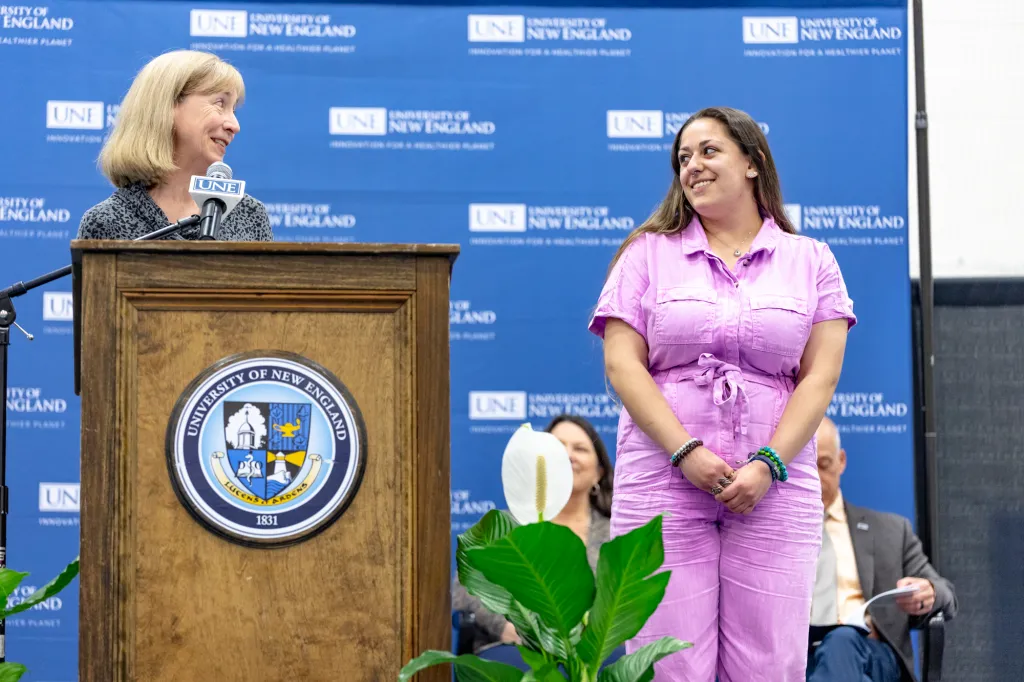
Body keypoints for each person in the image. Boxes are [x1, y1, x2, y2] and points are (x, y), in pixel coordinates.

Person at [588, 106, 856, 681]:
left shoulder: (812, 260)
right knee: (667, 663)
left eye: (708, 151)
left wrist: (768, 464)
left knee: (770, 663)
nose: (693, 166)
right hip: (662, 479)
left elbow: (820, 376)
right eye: (683, 158)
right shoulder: (645, 254)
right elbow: (622, 364)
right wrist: (686, 452)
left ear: (753, 162)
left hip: (774, 490)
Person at [452, 414, 615, 661]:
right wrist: (507, 627)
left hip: (592, 658)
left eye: (580, 449)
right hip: (517, 651)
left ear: (599, 473)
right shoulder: (504, 528)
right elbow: (465, 588)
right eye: (557, 446)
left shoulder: (615, 534)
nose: (567, 455)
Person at [807, 417, 957, 682]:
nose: (815, 478)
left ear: (841, 461)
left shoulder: (889, 530)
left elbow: (947, 596)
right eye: (806, 467)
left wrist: (928, 593)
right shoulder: (774, 534)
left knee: (842, 640)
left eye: (823, 465)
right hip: (798, 654)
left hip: (872, 653)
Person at [76, 50, 272, 242]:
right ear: (167, 105)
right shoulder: (105, 221)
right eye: (220, 103)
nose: (234, 125)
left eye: (234, 110)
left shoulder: (250, 215)